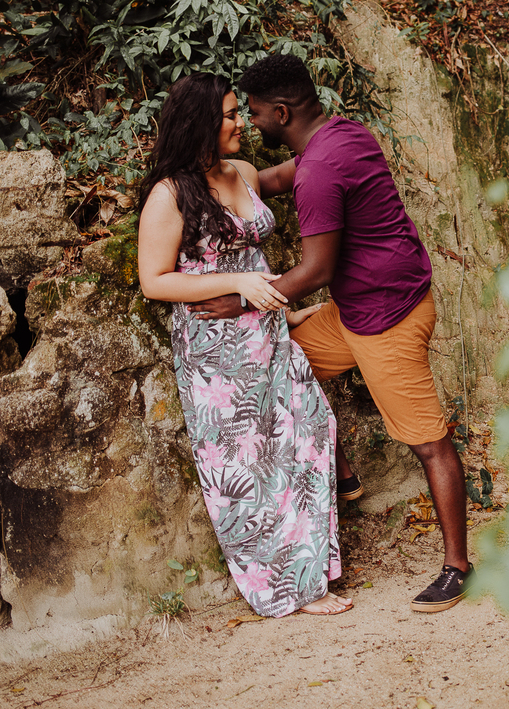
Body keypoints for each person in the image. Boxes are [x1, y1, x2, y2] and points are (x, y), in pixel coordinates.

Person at [187, 54, 472, 613]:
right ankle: (343, 473)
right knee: (283, 360)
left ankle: (458, 567)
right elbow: (265, 182)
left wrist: (241, 294)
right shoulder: (341, 136)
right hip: (363, 308)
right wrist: (204, 174)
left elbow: (314, 271)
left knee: (428, 442)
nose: (251, 121)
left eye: (255, 113)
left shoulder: (318, 171)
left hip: (385, 320)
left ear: (281, 110)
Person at [136, 72, 352, 617]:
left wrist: (342, 144)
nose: (240, 122)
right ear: (201, 123)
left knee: (308, 430)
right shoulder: (169, 195)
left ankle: (309, 570)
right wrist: (235, 284)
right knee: (247, 468)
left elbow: (302, 171)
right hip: (216, 349)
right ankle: (289, 592)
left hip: (268, 332)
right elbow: (155, 280)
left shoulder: (243, 172)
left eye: (239, 112)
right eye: (231, 114)